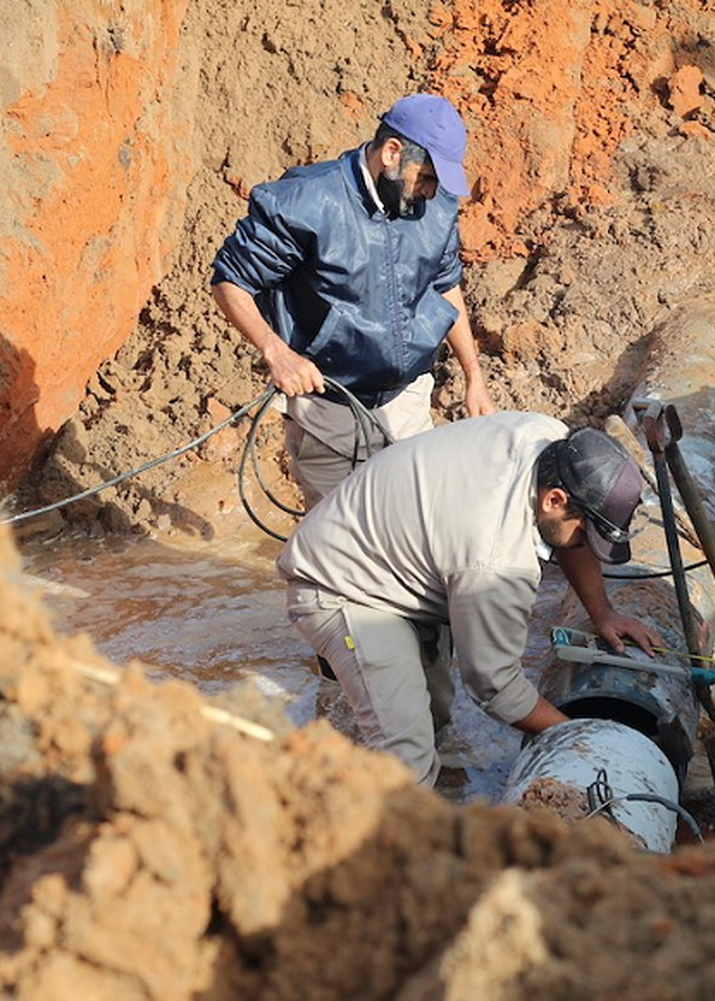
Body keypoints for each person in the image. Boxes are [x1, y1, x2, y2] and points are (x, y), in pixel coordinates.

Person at [276, 412, 663, 786]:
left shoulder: (553, 443)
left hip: (398, 556)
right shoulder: (495, 560)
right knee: (404, 762)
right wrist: (579, 736)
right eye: (585, 535)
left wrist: (603, 613)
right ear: (555, 500)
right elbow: (495, 687)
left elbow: (570, 533)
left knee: (432, 715)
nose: (584, 545)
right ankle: (335, 839)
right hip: (341, 587)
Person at [210, 93, 495, 510]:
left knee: (415, 540)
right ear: (392, 152)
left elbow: (445, 283)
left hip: (407, 409)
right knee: (338, 558)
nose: (432, 193)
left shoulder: (436, 208)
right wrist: (277, 353)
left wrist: (474, 375)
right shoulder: (305, 203)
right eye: (427, 178)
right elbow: (230, 280)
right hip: (329, 419)